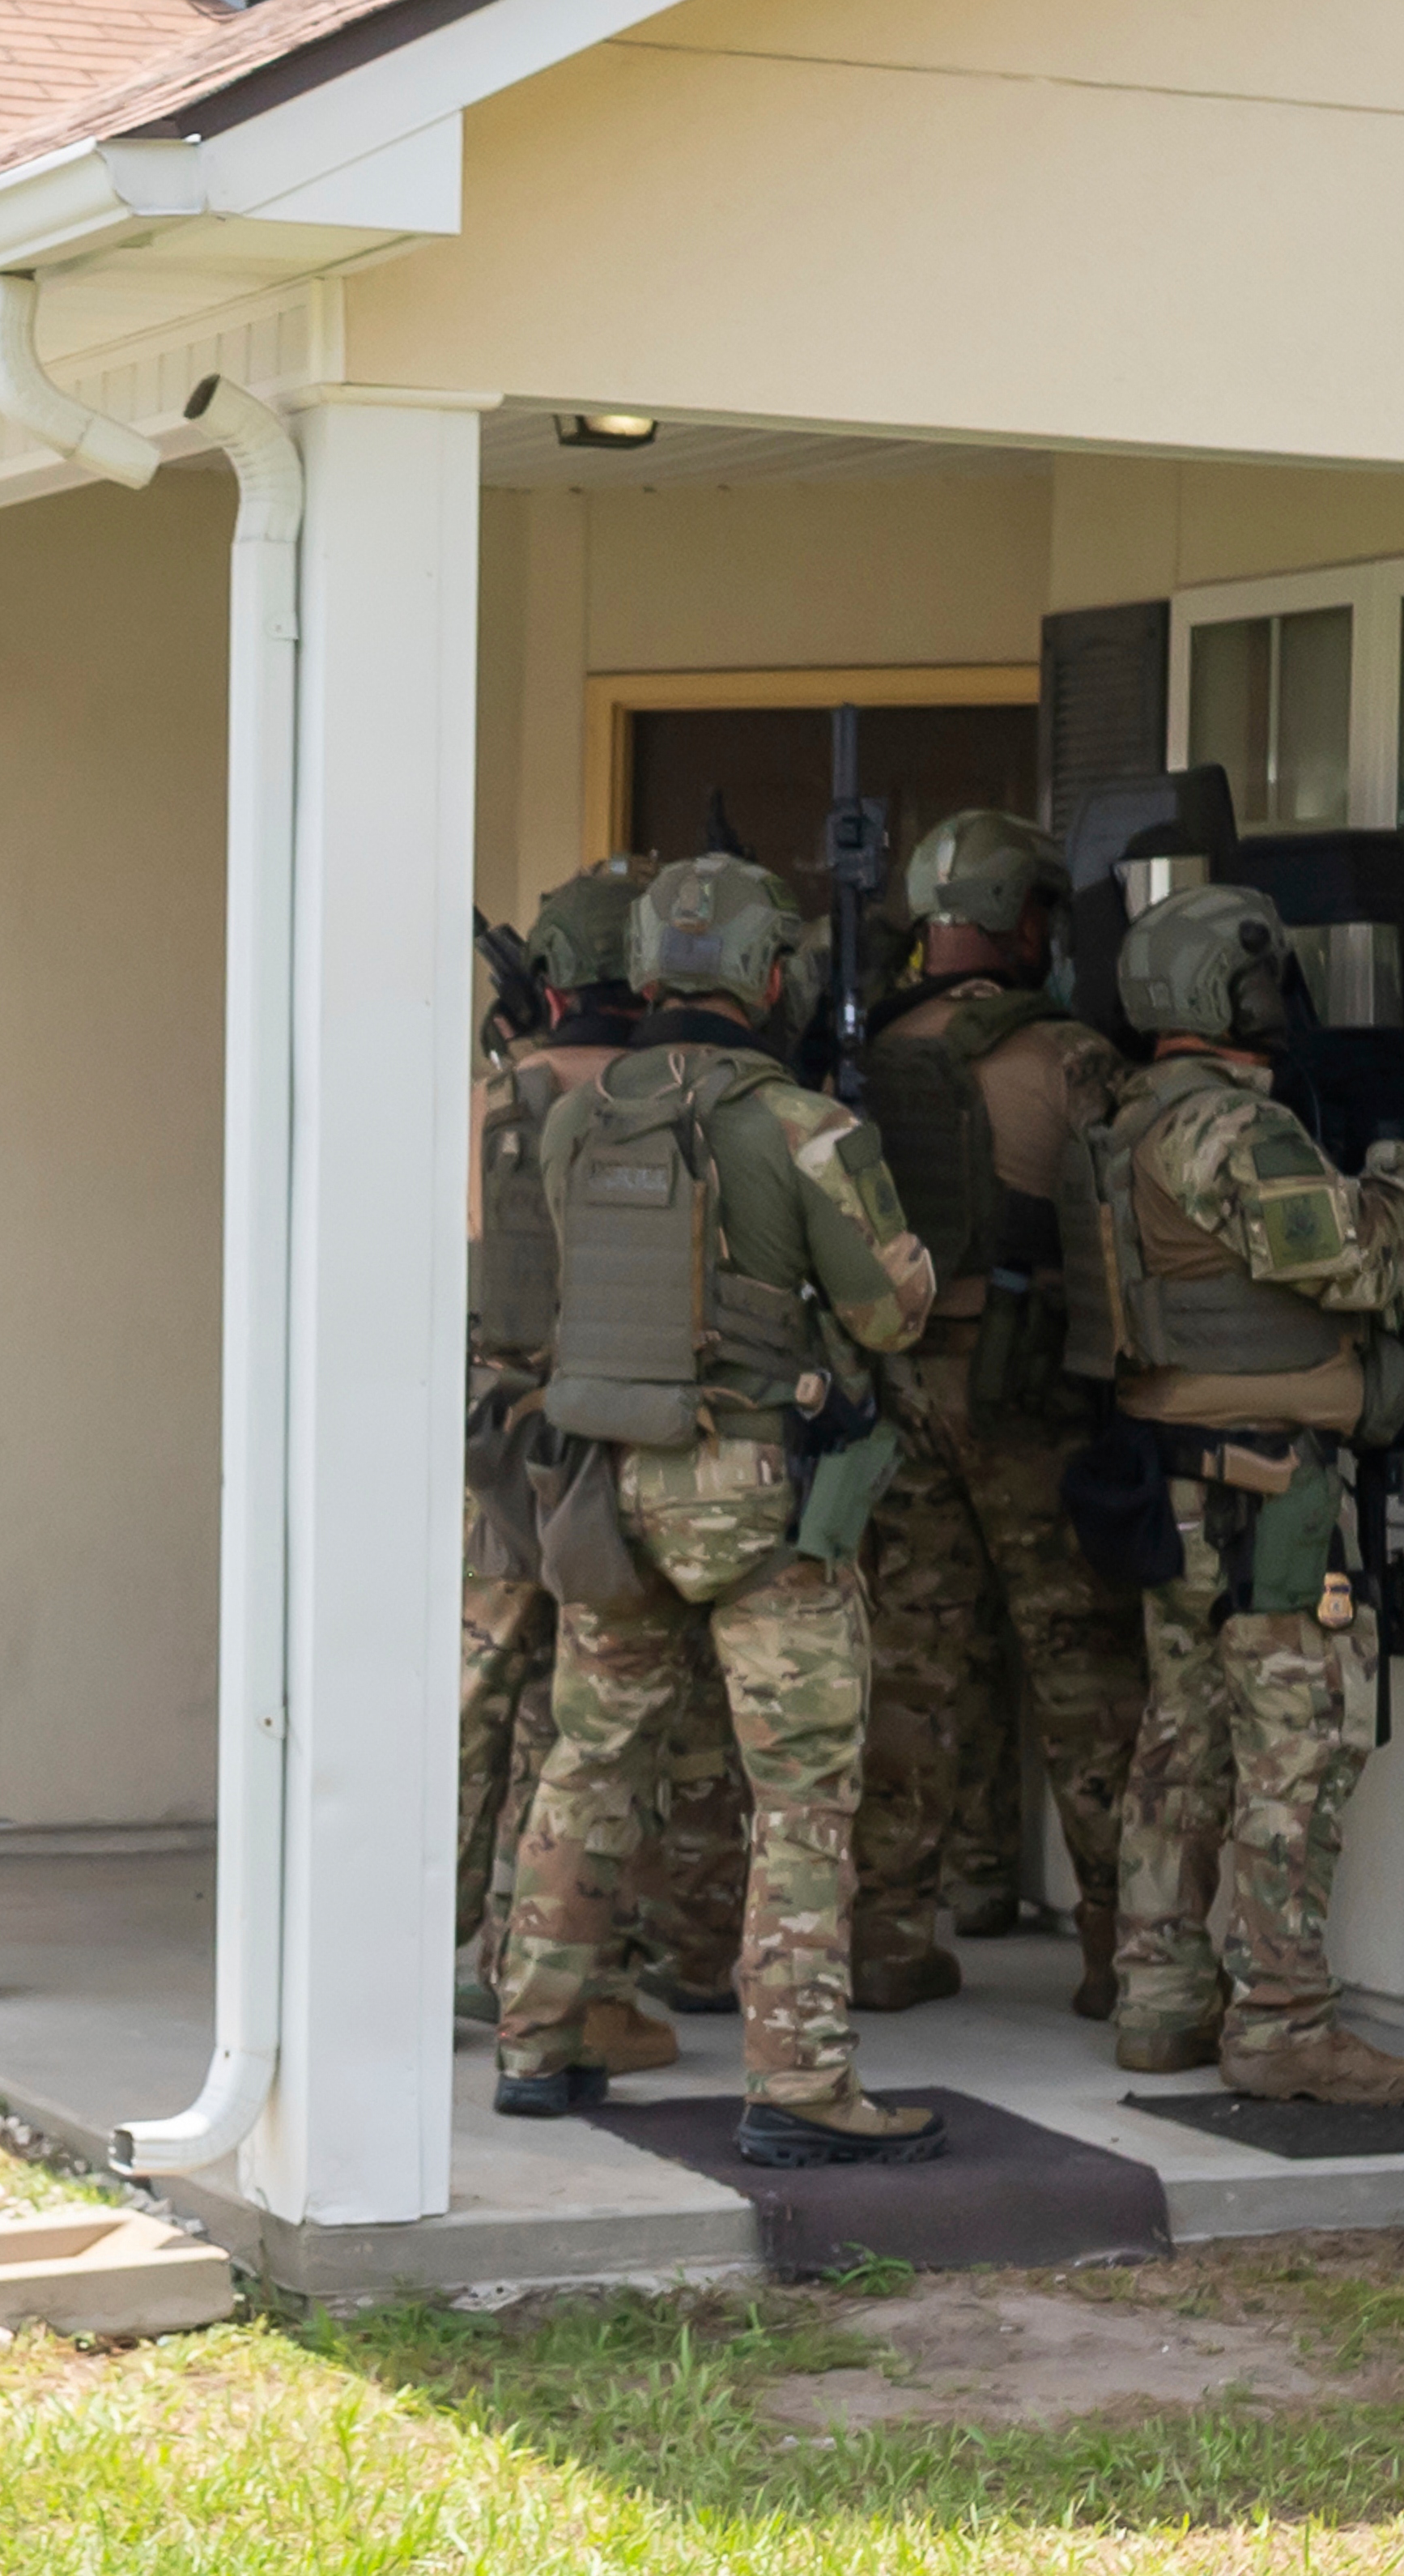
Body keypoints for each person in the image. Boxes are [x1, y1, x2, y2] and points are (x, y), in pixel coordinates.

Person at [492, 854, 945, 2165]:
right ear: (769, 973)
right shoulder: (805, 1125)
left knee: (587, 1766)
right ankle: (797, 2084)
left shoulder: (579, 1119)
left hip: (609, 1487)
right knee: (799, 1790)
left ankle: (540, 2042)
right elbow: (883, 1313)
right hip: (760, 1496)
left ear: (645, 968)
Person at [1067, 881, 1404, 2103]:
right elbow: (1360, 1255)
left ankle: (1161, 1998)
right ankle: (1281, 2022)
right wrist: (1401, 1162)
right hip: (1268, 1497)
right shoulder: (1229, 1131)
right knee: (1300, 1752)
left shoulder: (1123, 1121)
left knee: (1180, 1748)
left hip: (1177, 1489)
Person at [849, 811, 1146, 2021]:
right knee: (1083, 1667)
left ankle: (880, 1935)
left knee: (910, 1671)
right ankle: (1121, 1947)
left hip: (901, 1384)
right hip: (1025, 1394)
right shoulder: (1070, 1059)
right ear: (1026, 915)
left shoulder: (868, 1059)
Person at [455, 856, 699, 2070]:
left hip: (500, 1424)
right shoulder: (677, 1101)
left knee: (477, 1699)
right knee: (596, 1728)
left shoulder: (502, 1093)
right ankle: (569, 1975)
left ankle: (408, 1944)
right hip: (616, 1438)